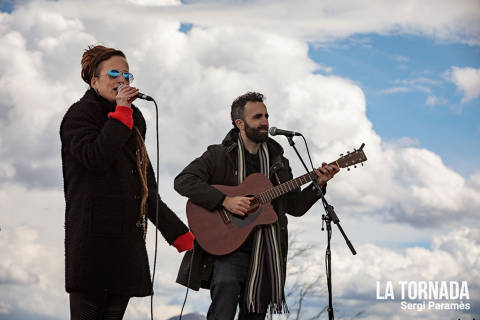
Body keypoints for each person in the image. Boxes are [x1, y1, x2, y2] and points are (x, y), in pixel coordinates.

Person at [174, 92, 339, 320]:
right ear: (239, 123)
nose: (265, 122)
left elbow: (294, 206)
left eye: (267, 116)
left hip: (265, 252)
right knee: (224, 299)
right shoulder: (219, 155)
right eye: (258, 117)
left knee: (255, 315)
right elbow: (183, 181)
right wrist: (225, 200)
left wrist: (318, 184)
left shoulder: (278, 162)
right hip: (227, 248)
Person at [60, 45, 194, 320]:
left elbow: (145, 187)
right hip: (92, 244)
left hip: (125, 245)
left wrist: (180, 236)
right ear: (93, 80)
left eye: (127, 75)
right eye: (113, 74)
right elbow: (96, 158)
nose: (122, 80)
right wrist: (121, 113)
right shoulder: (79, 116)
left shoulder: (135, 119)